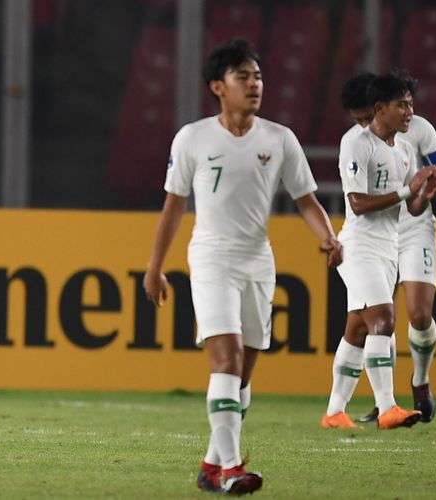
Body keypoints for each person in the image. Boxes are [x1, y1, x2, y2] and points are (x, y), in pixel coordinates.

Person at [143, 38, 342, 495]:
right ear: (218, 86)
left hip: (258, 261)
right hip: (211, 257)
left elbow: (306, 200)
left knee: (243, 376)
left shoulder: (279, 139)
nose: (254, 85)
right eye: (243, 77)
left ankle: (211, 467)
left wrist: (328, 236)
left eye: (258, 77)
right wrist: (155, 267)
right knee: (227, 360)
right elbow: (174, 207)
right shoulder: (193, 138)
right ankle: (233, 469)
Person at [328, 72, 436, 426]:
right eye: (357, 119)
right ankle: (380, 404)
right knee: (373, 321)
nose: (362, 124)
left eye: (365, 117)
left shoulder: (414, 133)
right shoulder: (360, 141)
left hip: (412, 229)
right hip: (373, 236)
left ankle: (419, 380)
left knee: (415, 315)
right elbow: (358, 200)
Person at [320, 72, 436, 430]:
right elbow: (357, 203)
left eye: (411, 104)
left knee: (358, 330)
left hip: (389, 247)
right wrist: (409, 192)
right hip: (359, 246)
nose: (409, 112)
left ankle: (334, 412)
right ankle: (388, 406)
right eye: (401, 104)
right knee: (384, 320)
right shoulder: (356, 143)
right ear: (380, 109)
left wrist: (424, 195)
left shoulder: (404, 150)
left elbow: (412, 208)